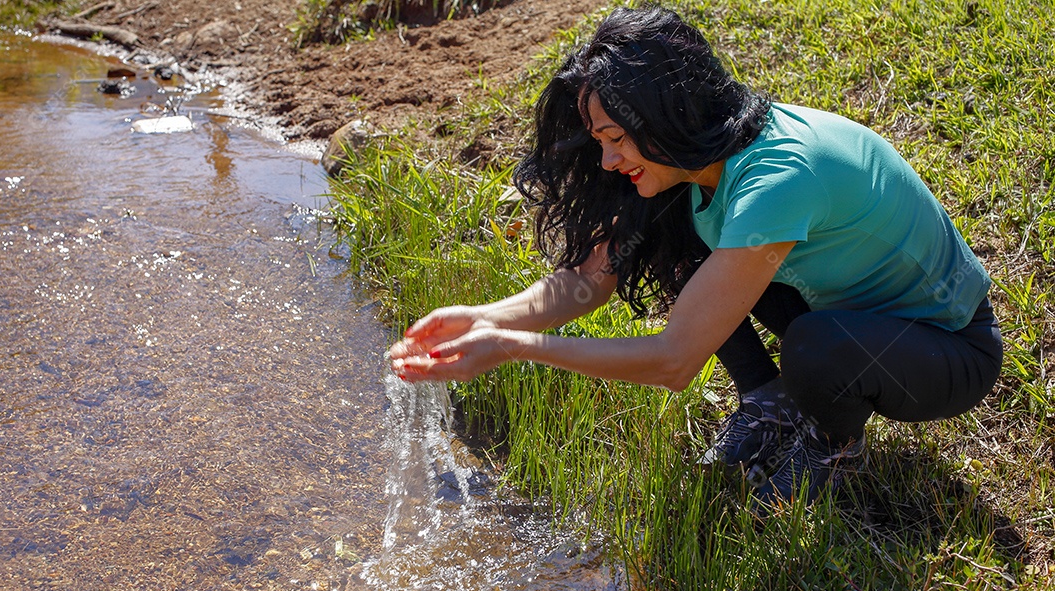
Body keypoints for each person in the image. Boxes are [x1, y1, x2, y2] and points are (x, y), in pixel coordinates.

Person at [388, 5, 1003, 508]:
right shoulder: (695, 167)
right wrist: (483, 318)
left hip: (946, 352)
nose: (607, 162)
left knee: (816, 346)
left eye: (615, 139)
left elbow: (673, 360)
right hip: (850, 313)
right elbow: (588, 281)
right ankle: (770, 403)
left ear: (662, 117)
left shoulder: (778, 179)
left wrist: (512, 347)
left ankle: (831, 446)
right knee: (680, 248)